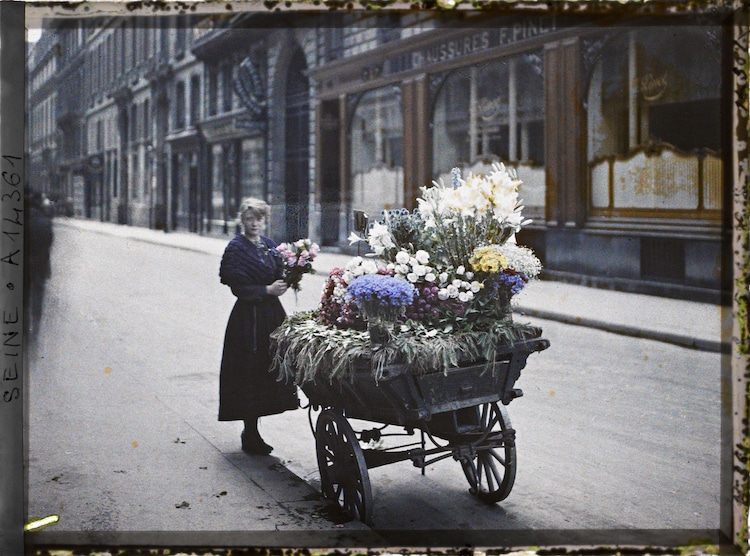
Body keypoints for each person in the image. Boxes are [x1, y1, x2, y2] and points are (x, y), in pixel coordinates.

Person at [218, 197, 298, 455]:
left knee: (270, 365)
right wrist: (267, 289)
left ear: (265, 221)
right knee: (249, 371)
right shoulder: (236, 249)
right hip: (248, 319)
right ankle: (250, 431)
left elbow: (280, 273)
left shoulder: (269, 246)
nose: (255, 224)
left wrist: (286, 282)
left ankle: (255, 430)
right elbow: (237, 288)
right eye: (250, 219)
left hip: (271, 314)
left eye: (260, 219)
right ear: (243, 220)